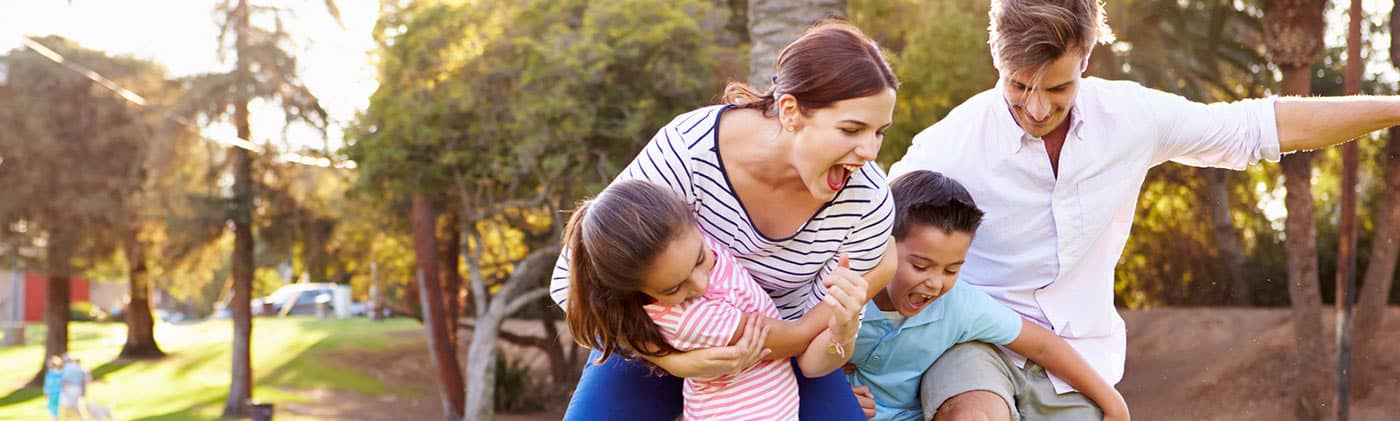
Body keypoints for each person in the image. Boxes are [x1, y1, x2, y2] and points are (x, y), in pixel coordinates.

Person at [885, 0, 1400, 419]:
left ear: (1085, 59)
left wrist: (1395, 107)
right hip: (974, 341)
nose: (1037, 108)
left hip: (1080, 359)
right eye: (1019, 86)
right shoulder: (949, 144)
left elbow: (1260, 127)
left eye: (1058, 87)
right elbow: (866, 235)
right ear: (996, 61)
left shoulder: (1131, 117)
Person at [550, 21, 901, 420]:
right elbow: (570, 284)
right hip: (657, 336)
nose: (869, 152)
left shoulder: (866, 200)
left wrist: (842, 328)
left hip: (782, 354)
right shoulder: (689, 150)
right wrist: (673, 361)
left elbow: (812, 357)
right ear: (790, 111)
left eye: (879, 133)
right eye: (852, 129)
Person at [564, 180, 865, 420]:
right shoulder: (690, 319)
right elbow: (797, 338)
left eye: (698, 260)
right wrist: (860, 282)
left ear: (694, 221)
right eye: (673, 289)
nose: (700, 284)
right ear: (637, 291)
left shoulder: (687, 242)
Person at [845, 170, 1128, 421]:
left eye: (951, 269)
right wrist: (836, 392)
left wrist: (1111, 402)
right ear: (885, 246)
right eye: (920, 266)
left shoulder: (958, 306)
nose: (934, 283)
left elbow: (1042, 346)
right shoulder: (848, 291)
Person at [59, 356, 90, 421]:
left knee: (68, 406)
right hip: (78, 389)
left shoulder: (66, 368)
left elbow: (65, 380)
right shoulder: (80, 369)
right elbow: (84, 381)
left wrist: (63, 389)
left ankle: (69, 419)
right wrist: (84, 391)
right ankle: (81, 418)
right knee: (77, 406)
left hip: (69, 388)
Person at [43, 355, 63, 421]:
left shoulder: (58, 374)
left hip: (57, 393)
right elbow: (47, 385)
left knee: (56, 409)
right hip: (53, 393)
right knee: (54, 409)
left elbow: (48, 385)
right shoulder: (50, 374)